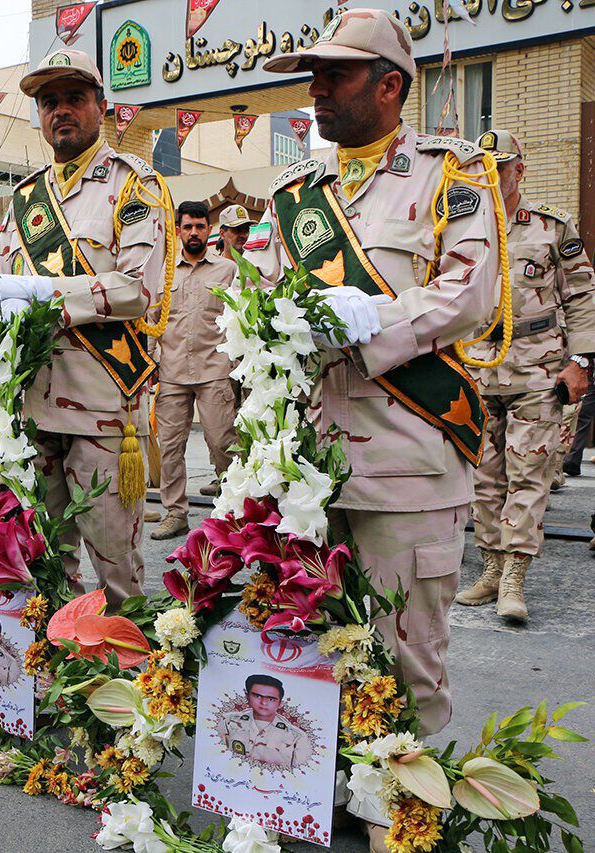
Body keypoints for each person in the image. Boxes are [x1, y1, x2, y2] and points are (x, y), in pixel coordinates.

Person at [248, 9, 505, 743]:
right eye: (314, 77)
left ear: (390, 85)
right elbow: (257, 295)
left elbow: (470, 291)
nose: (317, 91)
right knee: (320, 643)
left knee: (406, 656)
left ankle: (405, 809)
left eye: (337, 74)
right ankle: (323, 788)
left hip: (408, 462)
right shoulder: (295, 194)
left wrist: (373, 322)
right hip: (311, 464)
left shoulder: (451, 175)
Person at [0, 48, 172, 606]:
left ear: (101, 106)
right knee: (45, 555)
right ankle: (59, 667)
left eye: (73, 98)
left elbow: (138, 288)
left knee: (114, 560)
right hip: (35, 402)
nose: (60, 112)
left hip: (102, 406)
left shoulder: (133, 184)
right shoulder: (24, 200)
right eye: (48, 103)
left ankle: (124, 674)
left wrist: (47, 295)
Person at [459, 129, 595, 623]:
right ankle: (490, 568)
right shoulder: (462, 229)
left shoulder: (551, 228)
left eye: (502, 167)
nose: (493, 178)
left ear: (520, 169)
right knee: (483, 476)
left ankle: (515, 576)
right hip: (476, 365)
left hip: (538, 363)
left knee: (529, 471)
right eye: (484, 170)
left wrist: (581, 360)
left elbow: (581, 295)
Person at [151, 201, 239, 540]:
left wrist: (237, 365)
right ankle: (176, 513)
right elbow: (152, 319)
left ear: (209, 229)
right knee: (171, 445)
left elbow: (240, 319)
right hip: (171, 371)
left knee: (222, 443)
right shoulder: (163, 272)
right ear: (178, 230)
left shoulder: (226, 271)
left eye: (200, 227)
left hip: (215, 369)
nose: (194, 233)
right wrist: (149, 364)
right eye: (187, 227)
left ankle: (231, 511)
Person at [219, 675, 311, 769]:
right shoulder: (228, 721)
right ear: (247, 696)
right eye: (257, 696)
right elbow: (217, 756)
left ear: (279, 703)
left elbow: (300, 773)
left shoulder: (297, 737)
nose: (264, 703)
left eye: (271, 699)